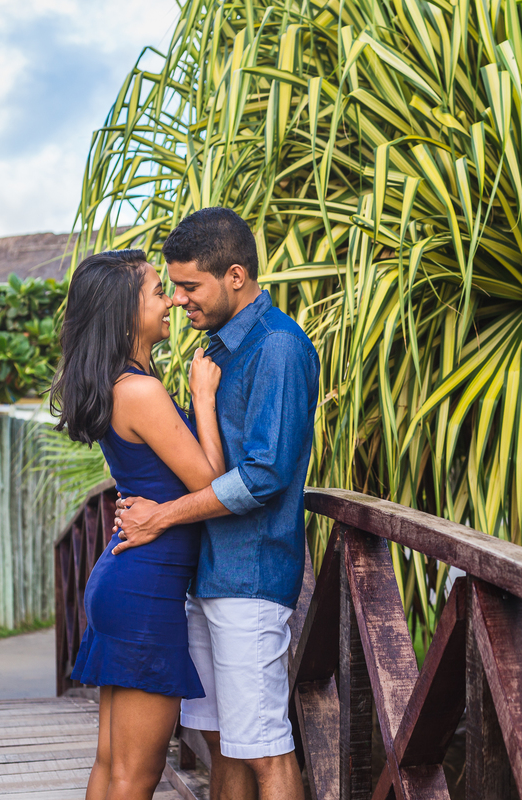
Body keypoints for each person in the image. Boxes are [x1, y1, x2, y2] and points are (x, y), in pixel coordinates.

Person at [113, 207, 319, 800]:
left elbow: (262, 478)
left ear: (235, 275)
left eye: (188, 287)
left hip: (250, 579)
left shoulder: (277, 347)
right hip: (211, 575)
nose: (178, 301)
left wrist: (163, 516)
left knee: (266, 751)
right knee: (228, 741)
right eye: (172, 288)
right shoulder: (223, 347)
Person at [50, 249, 226, 800]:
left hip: (128, 580)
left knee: (111, 766)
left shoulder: (121, 382)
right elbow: (213, 482)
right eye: (158, 291)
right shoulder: (142, 392)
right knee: (134, 776)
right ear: (126, 313)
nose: (172, 298)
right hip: (145, 590)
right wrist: (202, 397)